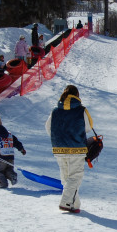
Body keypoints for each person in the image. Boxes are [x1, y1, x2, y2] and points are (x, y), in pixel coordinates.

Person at [45, 85, 94, 214]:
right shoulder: (81, 110)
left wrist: (60, 138)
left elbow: (48, 127)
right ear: (77, 95)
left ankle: (74, 204)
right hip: (77, 148)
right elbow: (88, 127)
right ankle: (66, 203)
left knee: (65, 177)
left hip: (59, 148)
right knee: (75, 177)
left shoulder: (55, 111)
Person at [0, 113, 26, 189]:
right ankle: (12, 175)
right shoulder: (9, 134)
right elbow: (16, 142)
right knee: (8, 169)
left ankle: (3, 184)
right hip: (10, 157)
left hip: (0, 157)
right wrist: (21, 149)